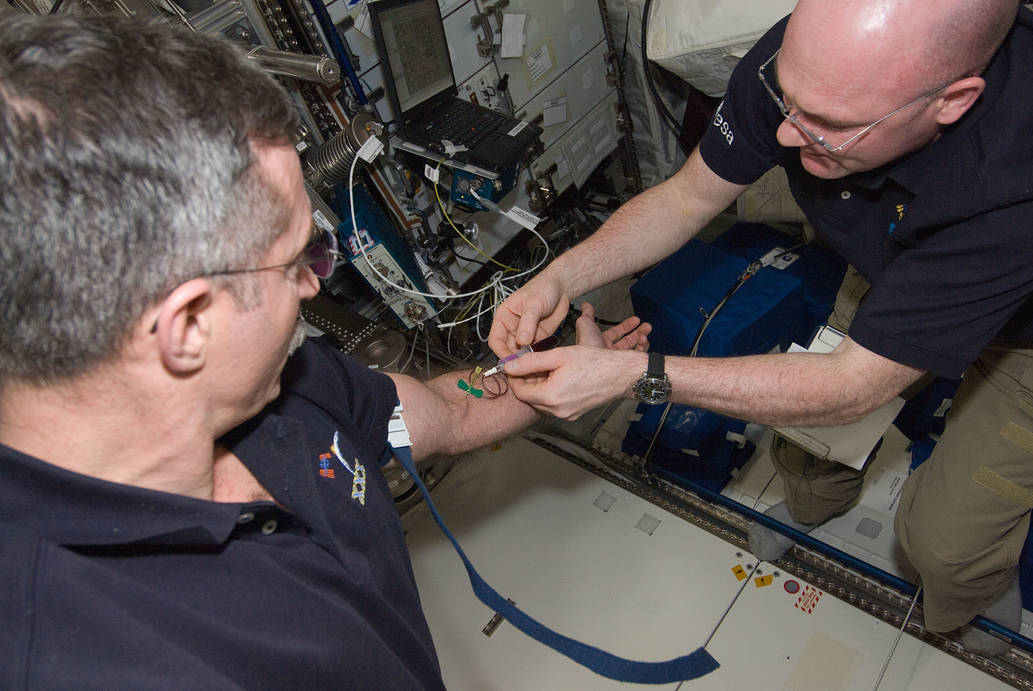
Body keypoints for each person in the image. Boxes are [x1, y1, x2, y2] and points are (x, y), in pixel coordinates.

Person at [0, 12, 650, 688]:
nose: (317, 282)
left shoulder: (287, 382)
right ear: (188, 324)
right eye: (296, 260)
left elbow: (440, 411)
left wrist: (549, 376)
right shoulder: (76, 653)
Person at [489, 0, 1033, 655]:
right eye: (788, 101)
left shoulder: (1018, 182)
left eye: (828, 126)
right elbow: (687, 197)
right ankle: (814, 508)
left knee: (944, 543)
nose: (784, 136)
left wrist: (636, 374)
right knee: (808, 441)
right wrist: (563, 275)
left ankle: (970, 598)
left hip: (1027, 337)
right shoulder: (815, 64)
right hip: (894, 260)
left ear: (951, 101)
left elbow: (853, 384)